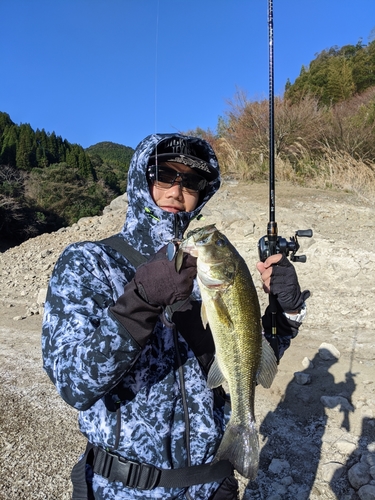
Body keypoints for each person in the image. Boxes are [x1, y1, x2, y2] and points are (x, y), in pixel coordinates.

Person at [42, 133, 308, 500]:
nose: (176, 190)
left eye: (192, 181)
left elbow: (244, 357)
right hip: (123, 488)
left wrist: (286, 310)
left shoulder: (209, 274)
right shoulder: (89, 263)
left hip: (215, 485)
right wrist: (140, 300)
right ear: (140, 178)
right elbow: (75, 383)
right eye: (164, 174)